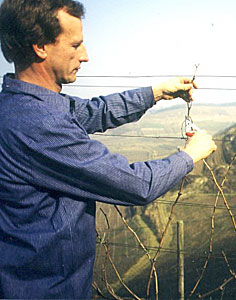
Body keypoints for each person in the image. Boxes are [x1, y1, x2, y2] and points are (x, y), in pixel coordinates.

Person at [0, 0, 217, 298]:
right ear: (40, 46)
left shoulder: (21, 105)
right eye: (76, 45)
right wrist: (190, 154)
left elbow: (93, 112)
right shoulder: (38, 123)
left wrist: (155, 93)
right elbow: (135, 185)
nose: (85, 56)